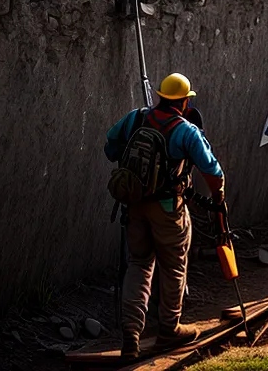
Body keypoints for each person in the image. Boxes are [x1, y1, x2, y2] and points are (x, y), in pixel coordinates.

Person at [105, 73, 224, 359]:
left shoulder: (135, 118)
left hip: (134, 205)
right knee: (173, 267)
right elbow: (213, 171)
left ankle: (131, 335)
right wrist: (218, 199)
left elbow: (110, 148)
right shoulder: (186, 130)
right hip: (170, 208)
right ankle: (169, 330)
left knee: (139, 265)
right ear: (184, 102)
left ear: (160, 96)